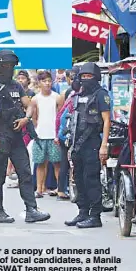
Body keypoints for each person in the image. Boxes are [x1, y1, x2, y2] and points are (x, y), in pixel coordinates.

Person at [0, 49, 50, 224]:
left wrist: (25, 119)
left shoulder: (16, 86)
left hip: (16, 134)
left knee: (25, 172)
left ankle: (31, 210)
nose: (9, 68)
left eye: (11, 65)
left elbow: (29, 105)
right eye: (5, 65)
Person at [65, 62, 111, 228]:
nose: (85, 79)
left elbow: (106, 120)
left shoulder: (101, 95)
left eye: (88, 76)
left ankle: (95, 216)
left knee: (91, 179)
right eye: (83, 76)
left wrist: (104, 145)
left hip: (92, 142)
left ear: (96, 77)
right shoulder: (77, 95)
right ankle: (83, 212)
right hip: (77, 144)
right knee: (78, 179)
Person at [31, 70, 63, 198]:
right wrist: (37, 131)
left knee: (57, 163)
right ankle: (39, 189)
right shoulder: (35, 99)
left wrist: (58, 133)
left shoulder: (57, 97)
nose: (47, 83)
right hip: (40, 135)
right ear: (39, 83)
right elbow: (34, 118)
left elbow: (61, 116)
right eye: (44, 81)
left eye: (49, 81)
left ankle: (59, 188)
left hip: (54, 135)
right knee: (40, 163)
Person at [54, 65, 81, 200]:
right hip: (71, 132)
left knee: (65, 161)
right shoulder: (73, 93)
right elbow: (62, 114)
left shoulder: (69, 93)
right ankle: (66, 189)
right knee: (71, 161)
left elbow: (60, 115)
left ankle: (61, 190)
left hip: (65, 132)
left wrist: (57, 132)